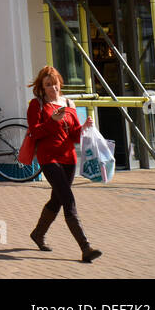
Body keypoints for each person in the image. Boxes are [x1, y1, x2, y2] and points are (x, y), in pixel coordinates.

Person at [27, 65, 100, 262]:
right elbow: (34, 132)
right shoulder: (37, 105)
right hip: (48, 158)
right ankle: (86, 248)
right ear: (42, 88)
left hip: (69, 158)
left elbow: (74, 134)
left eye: (55, 84)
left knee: (57, 199)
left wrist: (84, 127)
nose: (53, 88)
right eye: (48, 85)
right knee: (68, 200)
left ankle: (38, 234)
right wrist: (52, 121)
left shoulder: (68, 103)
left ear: (60, 83)